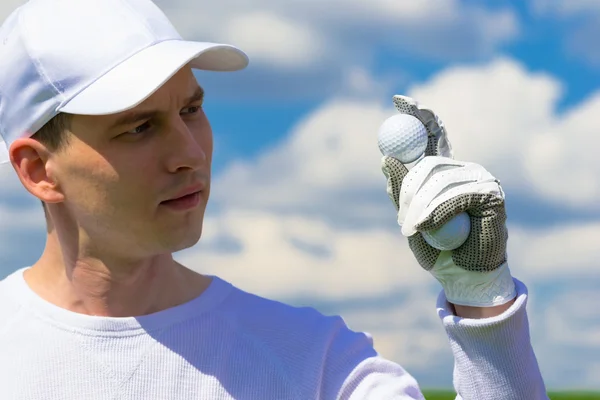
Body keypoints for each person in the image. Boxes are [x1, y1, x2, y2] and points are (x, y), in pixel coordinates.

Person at [0, 0, 549, 399]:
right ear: (39, 169)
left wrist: (483, 300)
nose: (189, 153)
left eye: (192, 109)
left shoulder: (316, 364)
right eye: (140, 127)